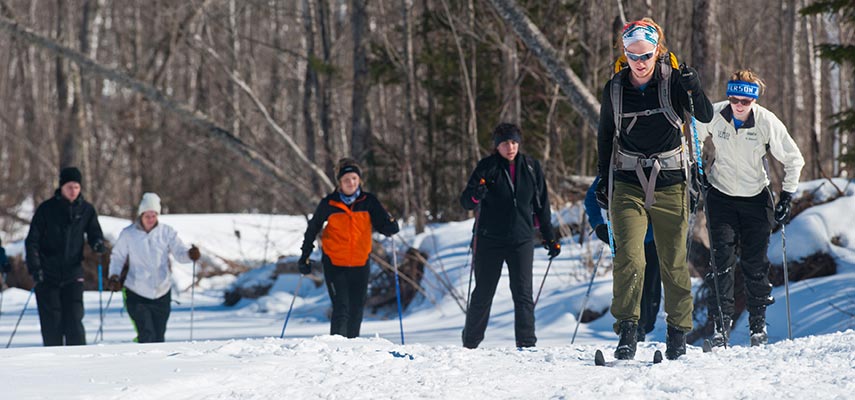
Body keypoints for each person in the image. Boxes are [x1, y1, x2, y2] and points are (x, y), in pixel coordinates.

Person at [596, 18, 713, 360]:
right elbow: (605, 136)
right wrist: (603, 178)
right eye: (633, 55)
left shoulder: (674, 81)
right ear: (624, 54)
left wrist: (695, 88)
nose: (640, 62)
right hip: (628, 181)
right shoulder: (615, 88)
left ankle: (677, 333)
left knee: (673, 261)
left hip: (671, 181)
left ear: (657, 51)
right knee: (629, 257)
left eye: (646, 54)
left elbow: (703, 116)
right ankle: (628, 331)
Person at [696, 70, 804, 347]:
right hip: (720, 196)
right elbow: (692, 138)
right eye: (735, 99)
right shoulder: (717, 113)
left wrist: (787, 195)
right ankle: (721, 328)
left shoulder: (766, 121)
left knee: (755, 264)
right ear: (729, 96)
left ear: (754, 100)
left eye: (746, 101)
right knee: (722, 262)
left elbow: (794, 159)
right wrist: (698, 173)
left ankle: (758, 326)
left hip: (756, 199)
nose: (740, 106)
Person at [459, 123, 560, 349]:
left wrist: (549, 237)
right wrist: (476, 195)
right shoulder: (487, 167)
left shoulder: (532, 167)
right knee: (484, 292)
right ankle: (470, 343)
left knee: (523, 293)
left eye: (514, 142)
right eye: (505, 143)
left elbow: (542, 205)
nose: (510, 147)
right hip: (489, 239)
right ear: (497, 146)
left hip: (521, 240)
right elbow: (466, 201)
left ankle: (526, 343)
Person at [298, 158, 399, 338]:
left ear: (359, 180)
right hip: (335, 262)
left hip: (361, 262)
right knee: (341, 306)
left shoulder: (369, 201)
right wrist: (305, 255)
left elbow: (383, 224)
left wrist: (390, 227)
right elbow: (313, 228)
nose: (351, 183)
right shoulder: (329, 203)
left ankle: (352, 348)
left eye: (354, 178)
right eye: (346, 179)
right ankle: (337, 349)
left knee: (357, 307)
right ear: (339, 183)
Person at [25, 167, 105, 346]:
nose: (73, 191)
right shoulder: (46, 209)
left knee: (74, 320)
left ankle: (78, 361)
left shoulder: (86, 210)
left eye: (76, 187)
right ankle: (55, 363)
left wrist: (97, 243)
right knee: (52, 323)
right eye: (69, 186)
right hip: (47, 275)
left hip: (73, 273)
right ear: (61, 187)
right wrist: (35, 268)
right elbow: (32, 242)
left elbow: (94, 233)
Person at [107, 193, 201, 343]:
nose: (150, 219)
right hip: (136, 291)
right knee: (146, 334)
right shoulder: (129, 234)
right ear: (141, 214)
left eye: (154, 215)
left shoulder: (166, 232)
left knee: (158, 336)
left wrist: (190, 255)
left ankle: (155, 365)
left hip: (162, 291)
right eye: (147, 215)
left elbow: (179, 252)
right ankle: (143, 362)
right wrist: (114, 276)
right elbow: (117, 257)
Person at [584, 176, 661, 342]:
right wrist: (598, 226)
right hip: (625, 238)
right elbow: (591, 197)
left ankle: (643, 329)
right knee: (631, 282)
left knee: (652, 291)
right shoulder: (618, 163)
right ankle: (632, 329)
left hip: (654, 239)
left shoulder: (658, 162)